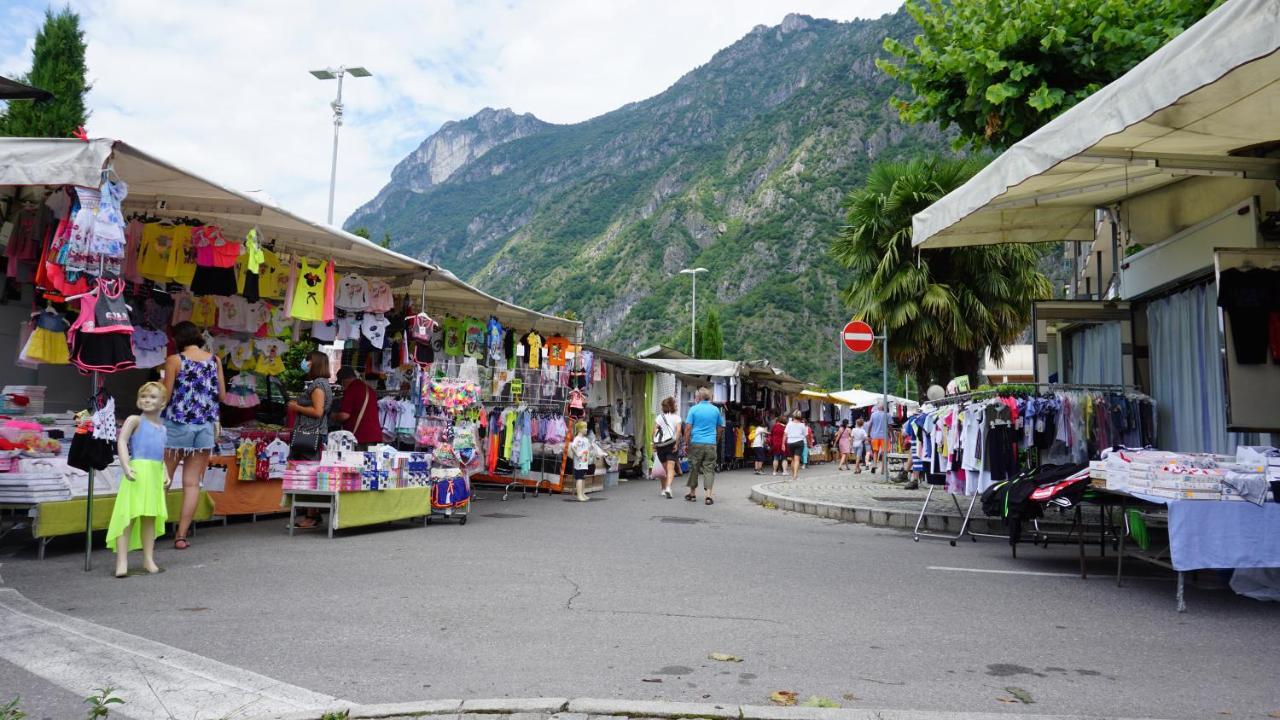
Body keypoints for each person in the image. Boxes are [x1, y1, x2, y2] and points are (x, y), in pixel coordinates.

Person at [162, 321, 225, 551]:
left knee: (164, 479)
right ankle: (181, 536)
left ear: (177, 339)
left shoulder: (175, 360)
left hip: (178, 424)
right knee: (191, 483)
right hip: (205, 426)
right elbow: (222, 396)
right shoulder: (214, 360)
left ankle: (152, 528)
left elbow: (165, 396)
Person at [110, 382, 170, 577]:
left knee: (149, 517)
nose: (147, 400)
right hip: (137, 472)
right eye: (144, 396)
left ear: (162, 402)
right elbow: (122, 440)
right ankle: (122, 561)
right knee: (128, 516)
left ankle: (148, 558)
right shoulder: (134, 420)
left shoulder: (162, 428)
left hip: (154, 473)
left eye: (153, 397)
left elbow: (161, 454)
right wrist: (126, 465)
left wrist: (166, 472)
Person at [288, 350, 332, 528]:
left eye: (308, 360)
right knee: (309, 473)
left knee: (309, 474)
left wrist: (296, 407)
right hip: (311, 433)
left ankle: (312, 516)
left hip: (310, 435)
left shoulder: (318, 385)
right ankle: (312, 514)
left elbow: (317, 411)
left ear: (315, 363)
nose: (305, 362)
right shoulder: (320, 384)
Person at [680, 387, 724, 504]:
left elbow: (688, 428)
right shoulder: (715, 410)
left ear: (698, 397)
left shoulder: (693, 409)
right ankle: (708, 496)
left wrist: (686, 443)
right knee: (709, 469)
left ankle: (693, 494)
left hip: (696, 443)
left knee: (694, 467)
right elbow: (720, 427)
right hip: (711, 443)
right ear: (709, 397)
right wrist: (716, 439)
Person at [332, 367, 381, 448]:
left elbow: (344, 415)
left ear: (344, 380)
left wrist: (334, 416)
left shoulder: (351, 390)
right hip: (375, 435)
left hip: (360, 437)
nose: (342, 385)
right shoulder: (369, 389)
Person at [652, 396, 682, 498]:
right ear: (673, 406)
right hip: (671, 444)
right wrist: (676, 443)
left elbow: (654, 430)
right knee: (670, 469)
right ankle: (668, 487)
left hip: (661, 445)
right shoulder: (676, 417)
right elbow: (678, 431)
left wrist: (654, 444)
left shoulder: (659, 417)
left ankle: (664, 489)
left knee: (665, 469)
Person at [570, 421, 592, 502]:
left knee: (583, 478)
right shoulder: (577, 439)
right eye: (584, 428)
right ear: (580, 429)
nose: (586, 429)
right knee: (579, 478)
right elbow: (572, 446)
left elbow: (588, 448)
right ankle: (579, 495)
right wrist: (577, 453)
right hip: (579, 462)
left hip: (585, 461)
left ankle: (582, 493)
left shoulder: (585, 439)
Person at [784, 411, 807, 481]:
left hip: (790, 442)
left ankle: (793, 474)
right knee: (797, 459)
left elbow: (785, 434)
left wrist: (783, 443)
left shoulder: (789, 424)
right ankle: (795, 475)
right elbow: (805, 434)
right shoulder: (802, 425)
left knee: (792, 459)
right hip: (799, 442)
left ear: (793, 416)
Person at [868, 401, 889, 471]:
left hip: (875, 436)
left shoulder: (873, 415)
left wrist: (868, 434)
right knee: (884, 453)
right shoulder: (887, 415)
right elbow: (890, 426)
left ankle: (874, 465)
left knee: (875, 451)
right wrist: (892, 435)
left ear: (878, 407)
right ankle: (883, 469)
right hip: (884, 436)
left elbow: (870, 425)